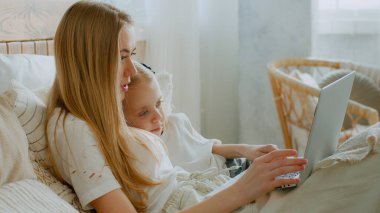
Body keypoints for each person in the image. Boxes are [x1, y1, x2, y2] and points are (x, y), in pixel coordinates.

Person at [45, 1, 307, 213]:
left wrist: (244, 166)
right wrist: (243, 190)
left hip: (198, 191)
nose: (132, 69)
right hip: (194, 201)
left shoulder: (101, 117)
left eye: (132, 55)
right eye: (121, 56)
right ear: (89, 62)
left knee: (310, 178)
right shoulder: (74, 129)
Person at [122, 62, 278, 178]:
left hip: (232, 167)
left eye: (158, 103)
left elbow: (210, 148)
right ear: (123, 119)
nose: (158, 116)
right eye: (144, 113)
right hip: (217, 186)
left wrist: (247, 149)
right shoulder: (137, 152)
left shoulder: (176, 123)